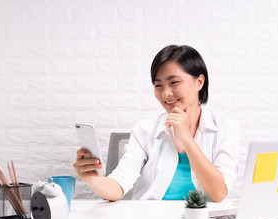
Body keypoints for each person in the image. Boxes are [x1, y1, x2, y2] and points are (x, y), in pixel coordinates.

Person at [73, 45, 239, 202]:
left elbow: (219, 193)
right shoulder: (144, 130)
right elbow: (119, 185)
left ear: (199, 82)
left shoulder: (224, 127)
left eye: (174, 82)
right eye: (158, 85)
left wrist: (187, 139)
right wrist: (93, 179)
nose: (166, 93)